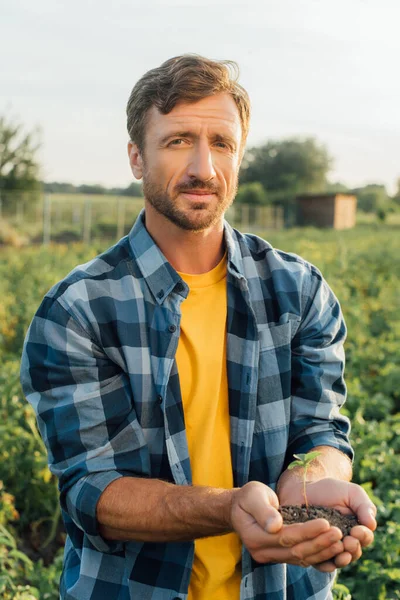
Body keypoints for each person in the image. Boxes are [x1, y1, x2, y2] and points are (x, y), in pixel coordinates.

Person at [20, 55, 376, 600]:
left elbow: (322, 431)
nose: (204, 168)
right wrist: (230, 508)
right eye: (179, 140)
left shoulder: (298, 291)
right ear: (137, 158)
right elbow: (94, 492)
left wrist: (315, 486)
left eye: (223, 144)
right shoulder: (79, 309)